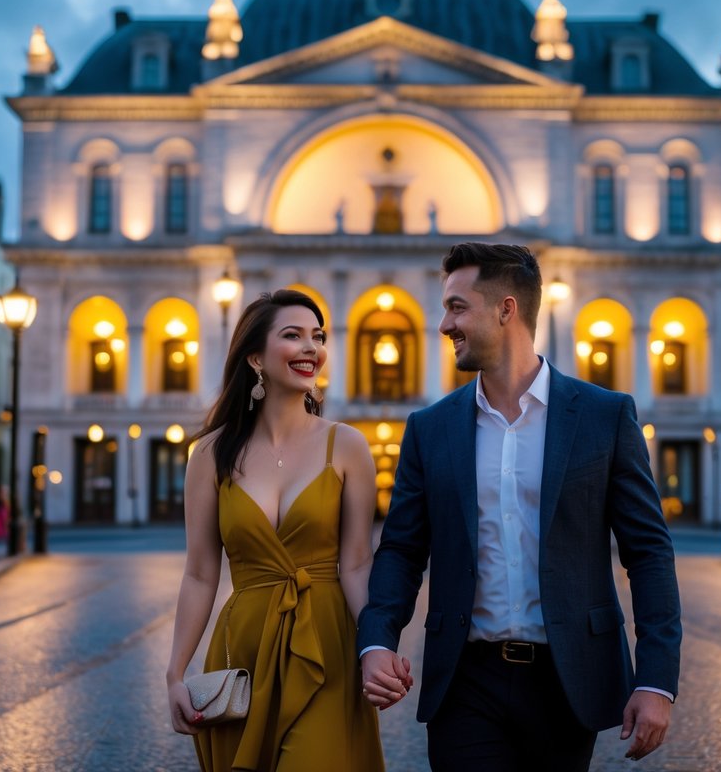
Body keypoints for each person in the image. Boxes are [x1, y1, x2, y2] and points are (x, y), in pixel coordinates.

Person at [358, 243, 681, 770]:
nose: (444, 324)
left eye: (457, 307)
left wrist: (656, 679)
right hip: (464, 681)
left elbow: (648, 553)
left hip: (568, 678)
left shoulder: (604, 417)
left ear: (507, 308)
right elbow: (400, 550)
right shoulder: (430, 429)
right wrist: (376, 641)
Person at [165, 290, 384, 772]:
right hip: (244, 647)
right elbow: (200, 573)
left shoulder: (346, 445)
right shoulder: (209, 454)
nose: (312, 348)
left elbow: (356, 564)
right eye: (293, 336)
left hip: (326, 643)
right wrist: (176, 672)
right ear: (255, 356)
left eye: (318, 337)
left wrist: (376, 646)